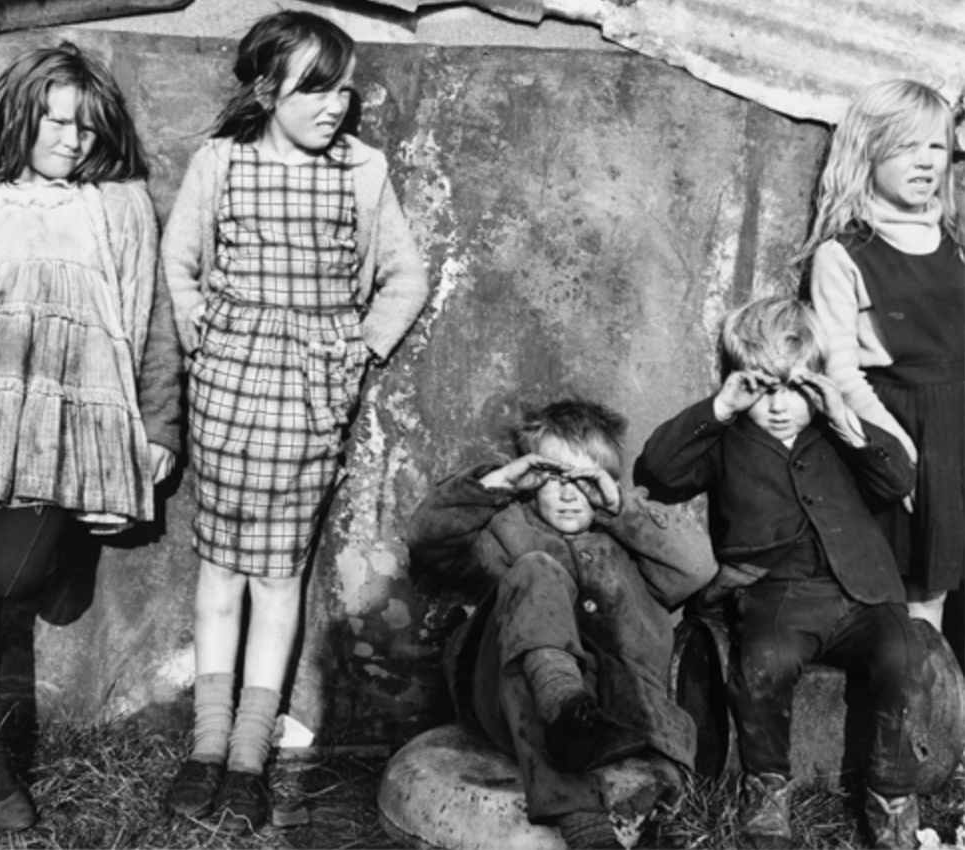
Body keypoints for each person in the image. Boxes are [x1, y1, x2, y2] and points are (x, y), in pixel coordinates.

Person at [0, 42, 181, 832]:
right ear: (21, 117)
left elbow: (153, 324)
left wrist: (159, 425)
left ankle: (71, 538)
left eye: (84, 128)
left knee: (22, 575)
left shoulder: (114, 205)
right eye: (54, 123)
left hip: (80, 416)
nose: (70, 142)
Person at [161, 10, 428, 832]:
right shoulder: (222, 161)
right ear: (266, 89)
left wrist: (358, 347)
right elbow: (181, 258)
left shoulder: (361, 170)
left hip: (312, 395)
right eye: (316, 88)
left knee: (279, 574)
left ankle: (249, 756)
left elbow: (404, 277)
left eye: (345, 89)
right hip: (230, 386)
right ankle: (206, 747)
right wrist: (199, 327)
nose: (335, 106)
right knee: (220, 568)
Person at [636, 296, 924, 850]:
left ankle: (891, 793)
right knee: (764, 663)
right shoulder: (727, 440)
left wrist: (845, 418)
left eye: (793, 390)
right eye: (763, 390)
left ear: (816, 385)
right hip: (778, 594)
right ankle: (767, 790)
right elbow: (660, 471)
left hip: (865, 591)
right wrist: (720, 408)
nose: (778, 407)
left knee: (900, 656)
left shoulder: (840, 433)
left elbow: (898, 482)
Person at [408, 399, 716, 849]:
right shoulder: (503, 529)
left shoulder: (628, 538)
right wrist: (496, 483)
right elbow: (425, 536)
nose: (570, 493)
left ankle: (578, 724)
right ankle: (579, 800)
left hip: (616, 708)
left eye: (585, 481)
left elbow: (698, 566)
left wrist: (618, 506)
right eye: (555, 479)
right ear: (532, 481)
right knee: (536, 570)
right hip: (510, 695)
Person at [797, 80, 964, 663]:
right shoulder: (844, 253)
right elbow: (840, 369)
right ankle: (930, 731)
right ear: (866, 153)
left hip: (960, 417)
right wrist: (894, 448)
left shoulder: (953, 237)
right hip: (909, 427)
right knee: (924, 593)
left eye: (937, 148)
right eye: (904, 147)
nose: (925, 162)